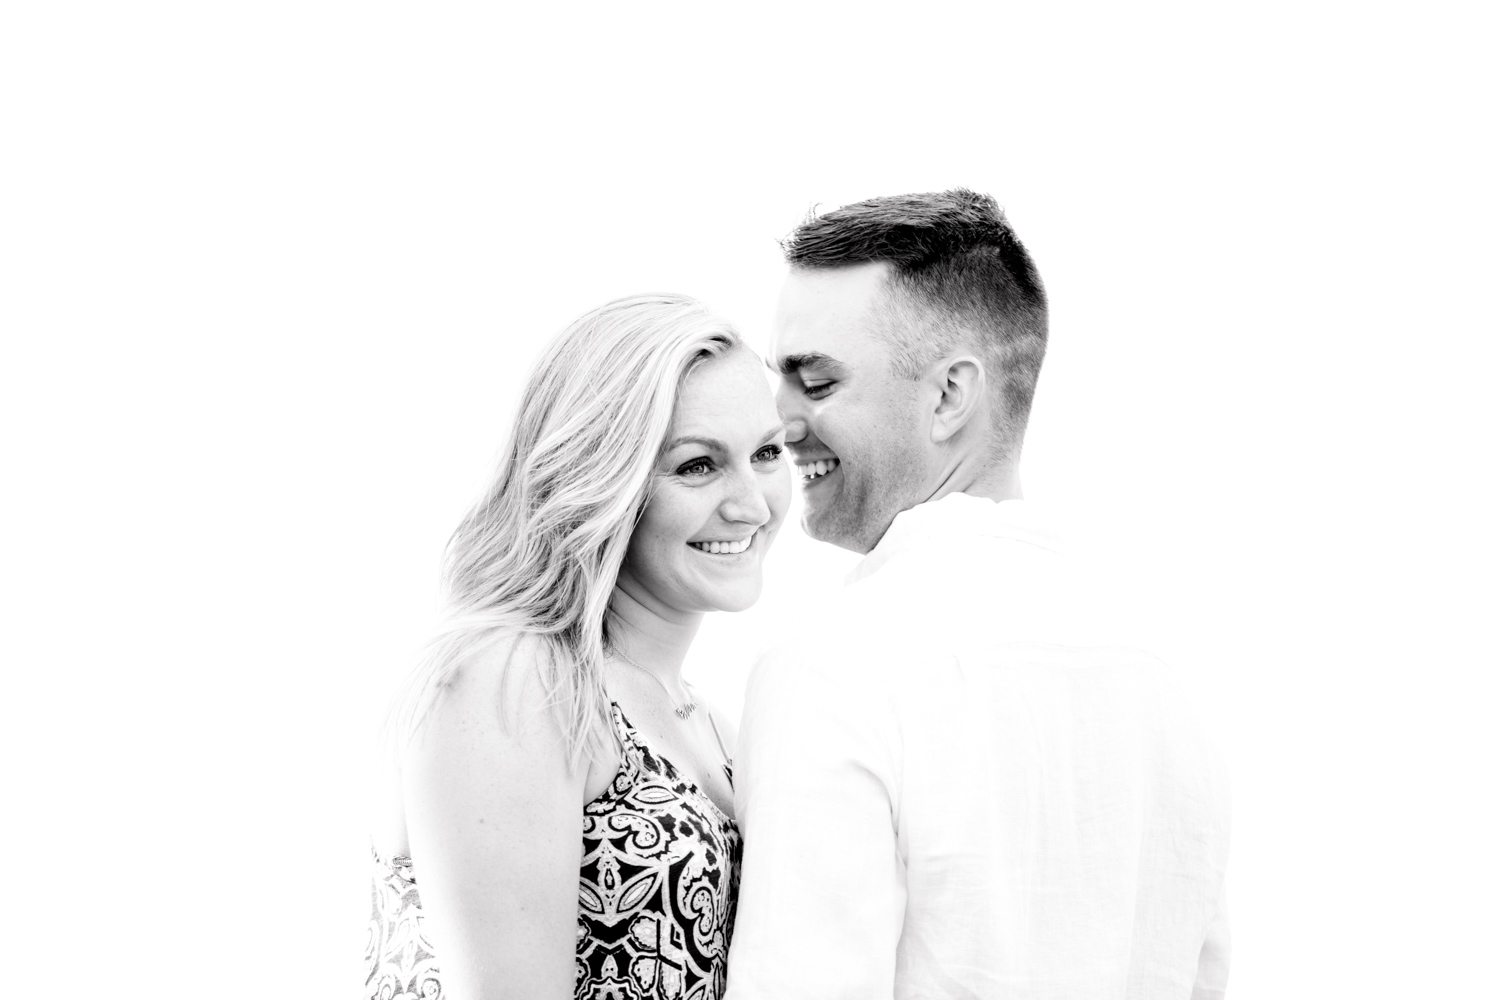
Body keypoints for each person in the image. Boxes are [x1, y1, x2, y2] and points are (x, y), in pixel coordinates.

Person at [724, 190, 1232, 999]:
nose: (777, 423)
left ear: (949, 395)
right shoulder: (1166, 674)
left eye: (814, 381)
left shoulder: (831, 666)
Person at [366, 294, 791, 1000]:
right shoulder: (512, 675)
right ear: (602, 476)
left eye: (767, 453)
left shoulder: (712, 725)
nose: (752, 504)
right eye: (697, 465)